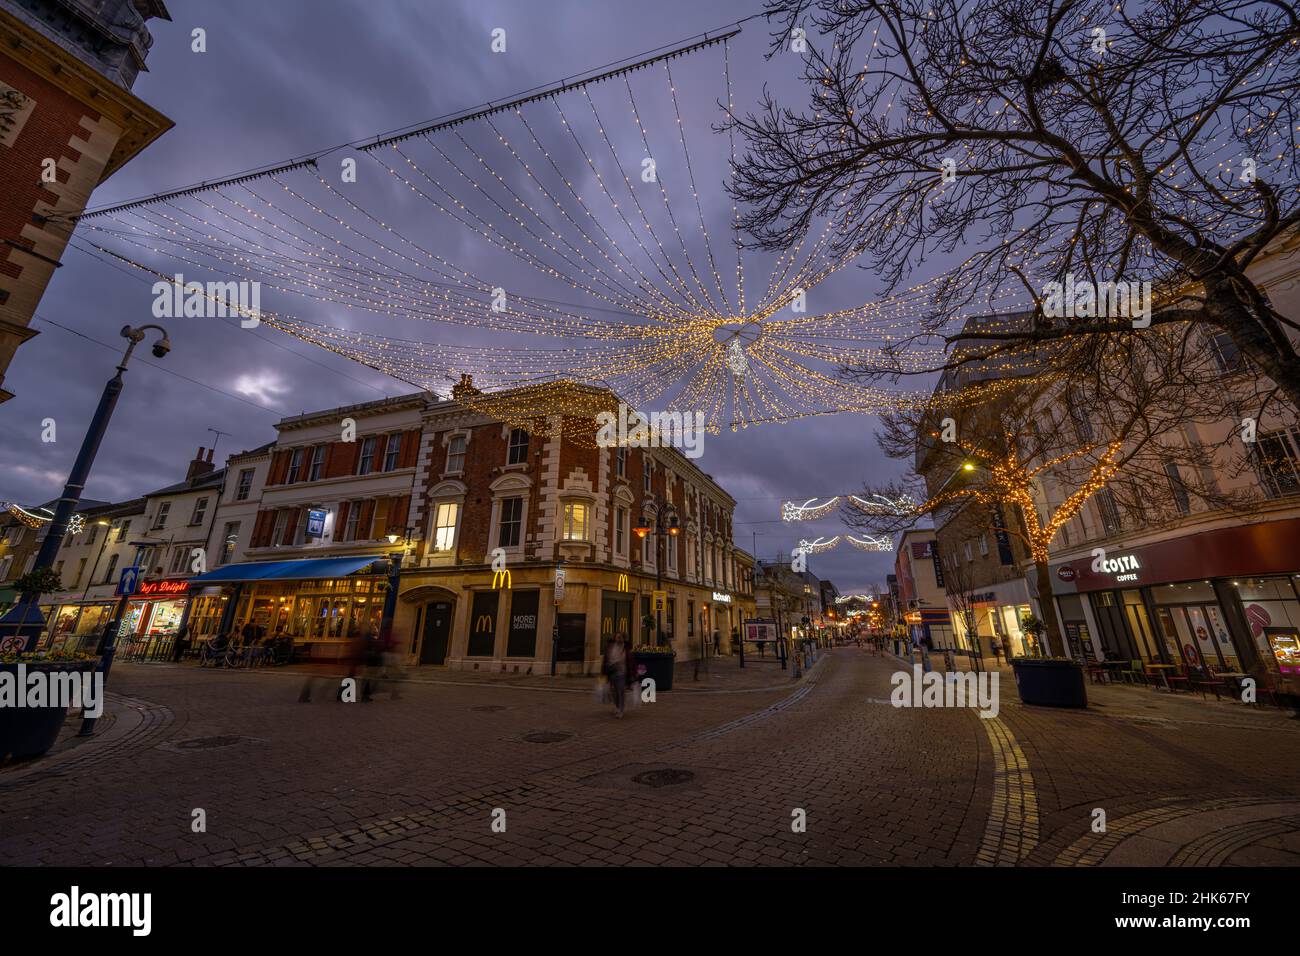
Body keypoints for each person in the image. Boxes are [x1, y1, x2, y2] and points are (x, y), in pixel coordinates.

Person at [602, 634, 627, 718]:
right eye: (617, 637)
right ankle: (617, 706)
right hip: (612, 672)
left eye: (620, 637)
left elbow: (630, 661)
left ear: (623, 638)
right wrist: (604, 672)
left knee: (620, 692)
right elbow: (606, 659)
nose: (618, 639)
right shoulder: (611, 647)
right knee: (614, 692)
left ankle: (621, 710)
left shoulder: (625, 648)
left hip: (621, 673)